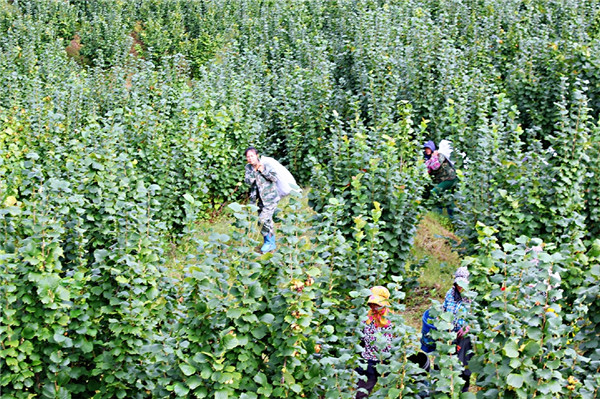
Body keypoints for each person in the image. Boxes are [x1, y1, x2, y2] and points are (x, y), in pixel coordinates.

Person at [356, 286, 393, 398]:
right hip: (368, 360)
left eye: (377, 304)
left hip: (386, 361)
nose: (373, 307)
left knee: (389, 392)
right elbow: (361, 337)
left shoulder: (392, 319)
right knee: (360, 394)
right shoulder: (366, 318)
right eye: (371, 304)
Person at [244, 147, 280, 253]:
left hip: (270, 198)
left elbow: (274, 178)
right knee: (266, 221)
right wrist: (254, 172)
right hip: (259, 199)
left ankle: (269, 242)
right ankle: (269, 242)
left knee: (263, 220)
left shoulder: (266, 165)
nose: (250, 159)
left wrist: (263, 171)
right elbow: (248, 181)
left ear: (257, 155)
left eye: (252, 156)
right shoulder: (248, 168)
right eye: (248, 157)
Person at [442, 266, 472, 392]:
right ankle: (448, 387)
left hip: (466, 335)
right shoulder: (450, 294)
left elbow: (478, 316)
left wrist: (467, 327)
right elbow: (444, 309)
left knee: (463, 363)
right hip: (451, 333)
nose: (460, 286)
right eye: (458, 283)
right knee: (447, 360)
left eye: (463, 284)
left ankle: (463, 389)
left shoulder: (472, 296)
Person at [423, 140, 458, 217]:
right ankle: (451, 218)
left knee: (434, 193)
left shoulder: (439, 155)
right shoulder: (428, 158)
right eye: (425, 149)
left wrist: (434, 156)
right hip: (444, 179)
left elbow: (435, 166)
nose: (427, 150)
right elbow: (426, 168)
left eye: (428, 148)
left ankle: (436, 214)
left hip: (449, 178)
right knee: (447, 198)